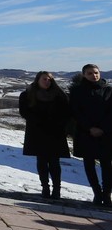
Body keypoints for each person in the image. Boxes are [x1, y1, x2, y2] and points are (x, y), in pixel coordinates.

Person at [19, 71, 71, 200]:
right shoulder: (27, 94)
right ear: (38, 80)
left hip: (55, 132)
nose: (47, 82)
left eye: (49, 79)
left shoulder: (60, 95)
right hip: (37, 132)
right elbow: (24, 112)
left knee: (54, 162)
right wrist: (39, 121)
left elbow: (66, 113)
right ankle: (45, 187)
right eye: (44, 79)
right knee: (41, 161)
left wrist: (59, 124)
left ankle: (57, 189)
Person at [70, 64, 112, 206]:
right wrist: (90, 128)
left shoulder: (109, 90)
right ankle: (97, 193)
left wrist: (103, 128)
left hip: (106, 133)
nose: (94, 75)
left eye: (96, 72)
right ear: (84, 75)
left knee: (107, 165)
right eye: (90, 73)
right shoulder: (77, 91)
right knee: (89, 164)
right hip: (85, 132)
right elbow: (76, 112)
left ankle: (107, 194)